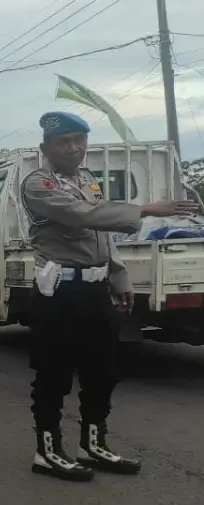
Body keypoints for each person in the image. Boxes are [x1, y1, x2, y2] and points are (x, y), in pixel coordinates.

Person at [22, 111, 200, 481]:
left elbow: (103, 237)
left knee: (102, 370)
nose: (73, 148)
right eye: (63, 142)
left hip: (95, 289)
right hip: (59, 292)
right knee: (54, 374)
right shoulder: (39, 185)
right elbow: (82, 217)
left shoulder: (87, 179)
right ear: (46, 148)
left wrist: (120, 278)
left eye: (78, 139)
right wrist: (146, 209)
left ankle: (93, 443)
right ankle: (48, 451)